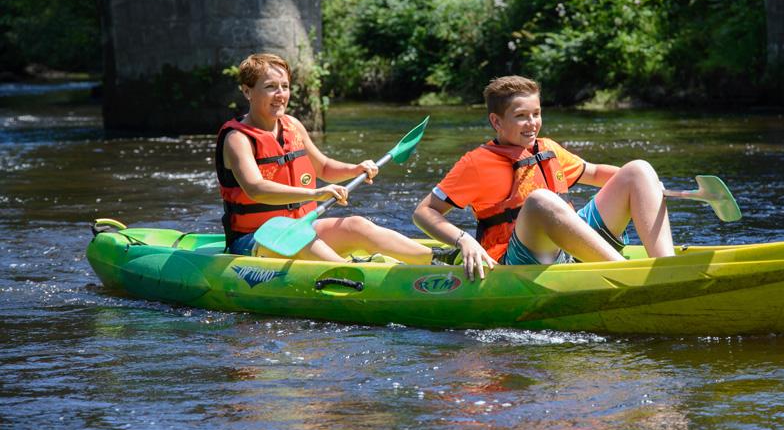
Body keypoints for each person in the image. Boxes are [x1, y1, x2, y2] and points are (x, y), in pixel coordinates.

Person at [413, 75, 676, 280]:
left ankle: (670, 271)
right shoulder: (476, 163)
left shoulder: (547, 148)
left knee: (638, 170)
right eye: (521, 116)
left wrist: (649, 187)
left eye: (536, 114)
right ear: (496, 121)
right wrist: (464, 240)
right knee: (541, 201)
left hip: (571, 250)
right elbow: (424, 212)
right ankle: (627, 275)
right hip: (519, 260)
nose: (532, 123)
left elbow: (595, 173)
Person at [216, 53, 432, 264]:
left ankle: (435, 259)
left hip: (300, 228)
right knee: (300, 239)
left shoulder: (293, 125)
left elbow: (324, 168)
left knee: (356, 225)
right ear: (247, 91)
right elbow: (256, 188)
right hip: (254, 238)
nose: (281, 94)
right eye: (271, 87)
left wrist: (355, 169)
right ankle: (353, 274)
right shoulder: (238, 138)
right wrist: (315, 193)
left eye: (285, 86)